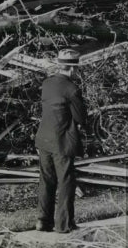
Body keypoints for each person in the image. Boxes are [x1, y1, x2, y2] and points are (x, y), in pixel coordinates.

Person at [34, 48, 88, 233]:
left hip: (43, 139)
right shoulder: (72, 89)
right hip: (62, 142)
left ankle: (43, 221)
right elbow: (81, 118)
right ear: (73, 69)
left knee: (46, 181)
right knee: (66, 182)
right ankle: (64, 225)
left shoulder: (47, 84)